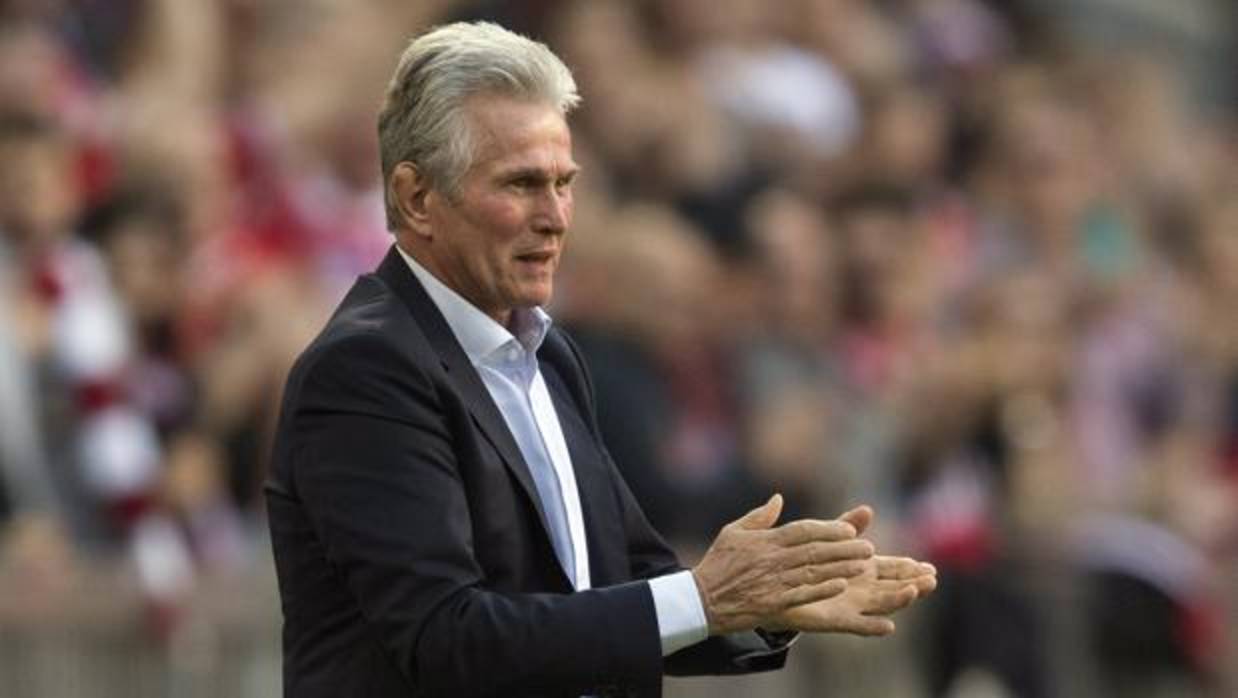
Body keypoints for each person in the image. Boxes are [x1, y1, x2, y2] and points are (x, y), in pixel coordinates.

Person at [265, 21, 936, 698]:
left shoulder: (549, 354)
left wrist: (760, 603)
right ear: (417, 198)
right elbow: (446, 638)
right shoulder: (366, 369)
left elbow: (621, 588)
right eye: (522, 184)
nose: (555, 215)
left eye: (564, 183)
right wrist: (705, 598)